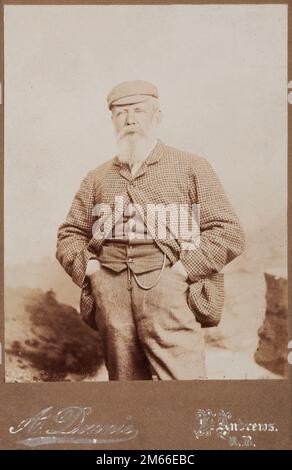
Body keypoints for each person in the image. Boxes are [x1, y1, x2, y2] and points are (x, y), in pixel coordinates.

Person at [56, 80, 245, 381]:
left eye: (139, 111)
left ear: (158, 116)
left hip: (169, 285)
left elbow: (228, 231)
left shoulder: (191, 166)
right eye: (121, 113)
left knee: (184, 388)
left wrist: (183, 271)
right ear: (112, 120)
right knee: (126, 389)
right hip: (110, 289)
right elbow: (70, 233)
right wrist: (91, 270)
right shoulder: (97, 177)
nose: (130, 120)